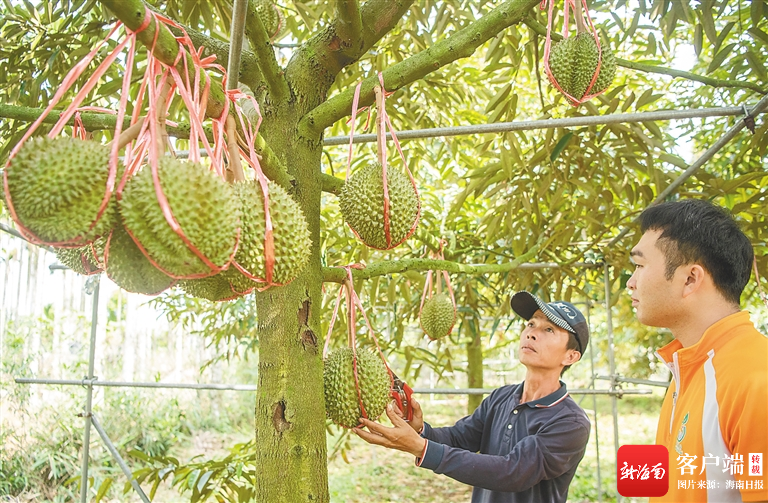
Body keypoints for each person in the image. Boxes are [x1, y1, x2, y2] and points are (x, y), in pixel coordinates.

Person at [354, 291, 591, 503]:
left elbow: (513, 472)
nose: (531, 334)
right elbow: (460, 437)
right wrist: (421, 432)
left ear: (571, 356)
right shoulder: (502, 397)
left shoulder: (570, 422)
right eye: (530, 324)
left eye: (548, 329)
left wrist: (422, 448)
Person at [627, 198, 768, 502]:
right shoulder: (687, 366)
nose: (631, 282)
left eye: (639, 266)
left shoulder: (756, 380)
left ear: (690, 278)